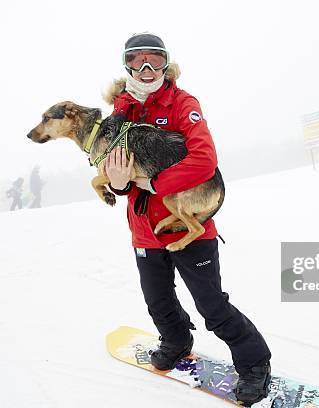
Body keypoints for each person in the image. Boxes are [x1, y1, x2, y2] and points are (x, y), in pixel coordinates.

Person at [104, 33, 272, 406]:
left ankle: (255, 363)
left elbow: (203, 160)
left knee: (211, 304)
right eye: (137, 60)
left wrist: (153, 183)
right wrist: (117, 185)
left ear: (167, 64)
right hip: (145, 231)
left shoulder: (182, 104)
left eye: (155, 60)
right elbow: (120, 173)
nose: (147, 70)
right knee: (158, 301)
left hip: (189, 226)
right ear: (126, 65)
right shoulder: (121, 112)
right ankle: (177, 342)